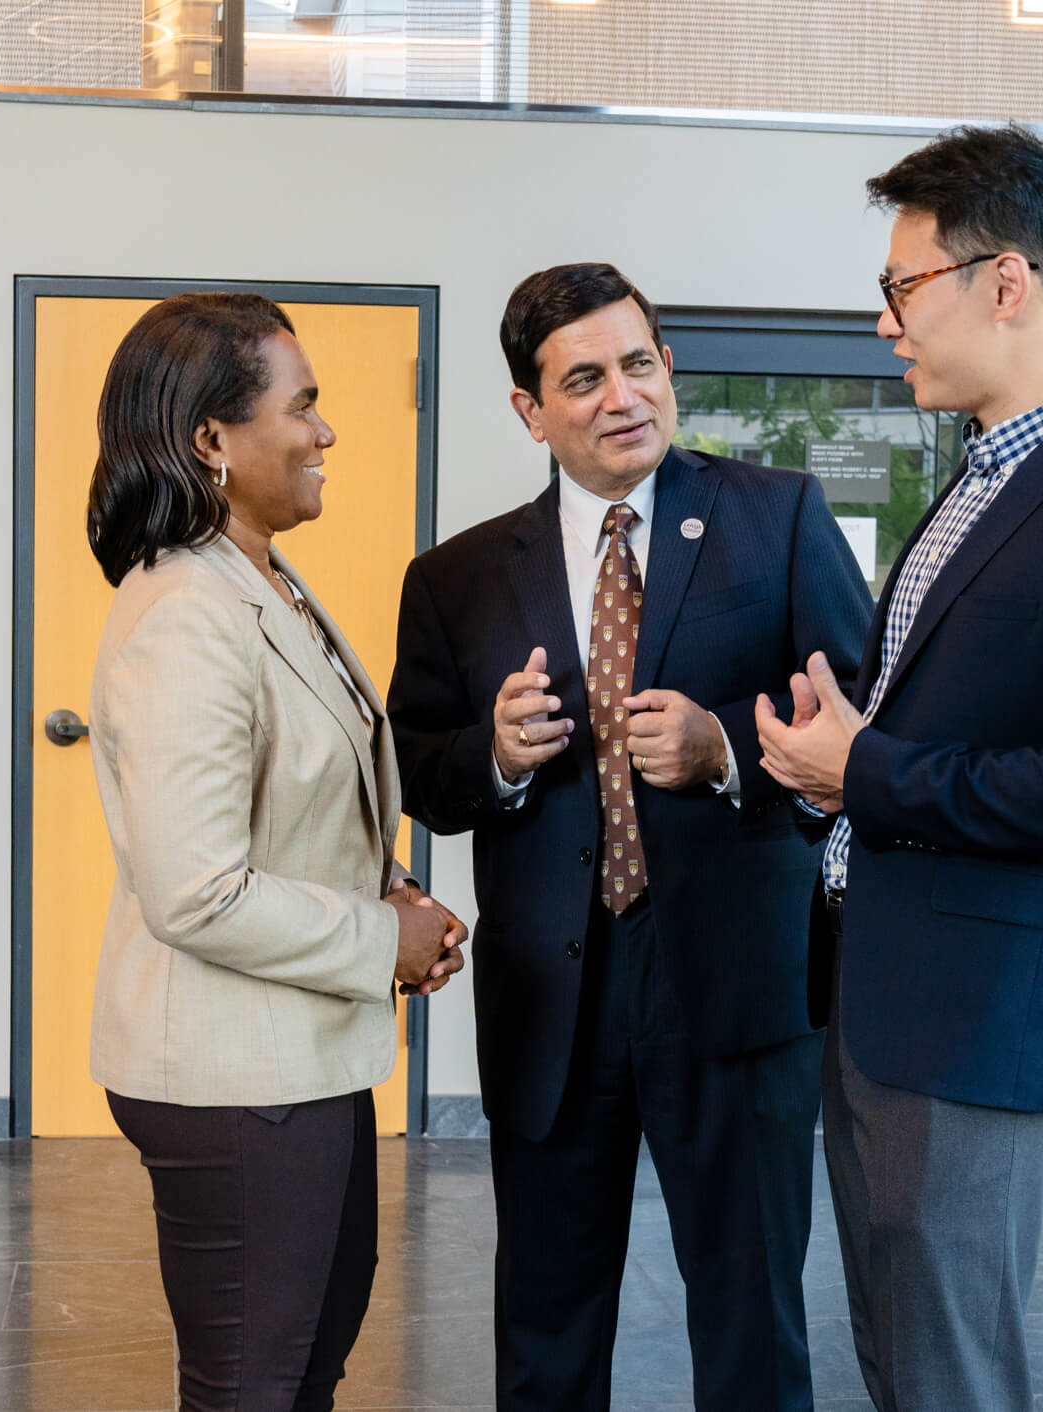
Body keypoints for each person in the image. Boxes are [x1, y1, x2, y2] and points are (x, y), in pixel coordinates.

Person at [756, 124, 1043, 1412]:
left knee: (948, 1371)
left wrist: (868, 771)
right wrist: (831, 765)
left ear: (1004, 281)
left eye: (902, 289)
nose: (886, 326)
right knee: (902, 1359)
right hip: (894, 996)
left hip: (988, 1020)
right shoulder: (982, 475)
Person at [386, 262, 872, 1411]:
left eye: (640, 363)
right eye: (586, 376)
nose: (623, 396)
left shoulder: (780, 515)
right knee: (546, 1328)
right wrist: (499, 754)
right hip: (552, 995)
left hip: (736, 985)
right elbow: (421, 769)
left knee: (751, 1318)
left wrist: (728, 757)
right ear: (529, 408)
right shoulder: (454, 577)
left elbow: (861, 725)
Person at [85, 291, 467, 1412]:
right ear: (212, 439)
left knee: (299, 1371)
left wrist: (386, 887)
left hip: (299, 1058)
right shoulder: (186, 614)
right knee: (252, 1385)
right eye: (303, 405)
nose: (325, 430)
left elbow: (288, 799)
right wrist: (378, 934)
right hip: (231, 1078)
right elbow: (196, 888)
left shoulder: (262, 582)